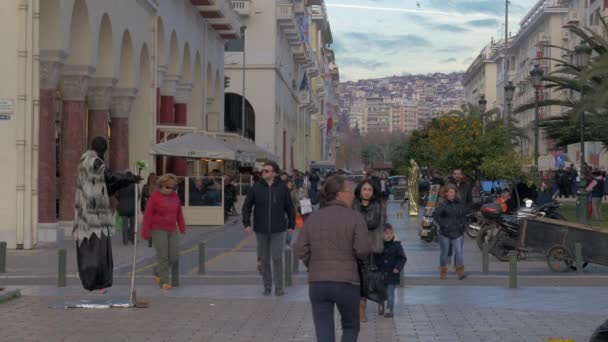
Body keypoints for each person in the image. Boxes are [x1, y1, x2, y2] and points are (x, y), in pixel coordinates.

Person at [295, 175, 370, 342]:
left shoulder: (313, 218)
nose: (353, 195)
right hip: (347, 282)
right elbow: (363, 250)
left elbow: (300, 249)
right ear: (339, 194)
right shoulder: (355, 217)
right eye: (349, 191)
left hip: (318, 283)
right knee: (351, 326)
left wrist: (313, 264)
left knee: (323, 330)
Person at [73, 136, 142, 293]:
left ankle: (98, 282)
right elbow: (109, 177)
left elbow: (107, 185)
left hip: (90, 212)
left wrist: (127, 180)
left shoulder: (88, 162)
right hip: (93, 213)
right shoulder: (94, 161)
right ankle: (95, 282)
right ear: (104, 148)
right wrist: (128, 178)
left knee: (96, 247)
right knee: (96, 248)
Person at [242, 160, 296, 296]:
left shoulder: (282, 188)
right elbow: (246, 206)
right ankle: (267, 286)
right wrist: (246, 223)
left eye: (267, 171)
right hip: (261, 230)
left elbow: (290, 207)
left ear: (274, 173)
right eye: (263, 171)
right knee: (264, 259)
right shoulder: (256, 187)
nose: (263, 173)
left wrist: (291, 225)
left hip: (278, 229)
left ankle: (279, 287)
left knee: (277, 258)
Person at [142, 173, 186, 291]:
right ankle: (164, 282)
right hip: (158, 229)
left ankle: (157, 271)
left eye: (173, 187)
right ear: (161, 185)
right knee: (163, 256)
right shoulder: (154, 197)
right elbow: (147, 215)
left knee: (174, 256)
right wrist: (146, 231)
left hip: (172, 229)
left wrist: (182, 226)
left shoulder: (175, 197)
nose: (171, 190)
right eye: (168, 187)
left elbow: (179, 213)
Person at [352, 179, 383, 322]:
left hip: (370, 246)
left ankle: (362, 309)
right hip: (354, 246)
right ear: (359, 190)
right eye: (364, 189)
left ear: (373, 192)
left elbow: (373, 223)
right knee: (355, 278)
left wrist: (357, 222)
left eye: (369, 190)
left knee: (367, 278)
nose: (367, 192)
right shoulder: (353, 204)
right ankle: (355, 306)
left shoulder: (377, 205)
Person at [433, 184, 467, 280]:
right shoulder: (442, 203)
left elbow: (463, 215)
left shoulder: (459, 203)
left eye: (454, 192)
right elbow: (436, 216)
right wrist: (443, 225)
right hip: (445, 232)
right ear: (446, 193)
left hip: (458, 231)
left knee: (459, 252)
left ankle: (460, 272)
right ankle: (443, 271)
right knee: (444, 253)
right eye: (450, 192)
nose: (452, 194)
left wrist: (463, 224)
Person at [375, 223, 406, 318]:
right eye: (386, 233)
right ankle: (381, 304)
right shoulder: (379, 245)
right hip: (380, 273)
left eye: (391, 233)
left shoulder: (397, 245)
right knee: (381, 291)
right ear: (382, 234)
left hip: (392, 273)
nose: (388, 235)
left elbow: (402, 258)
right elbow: (374, 257)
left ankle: (389, 309)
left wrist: (397, 267)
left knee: (390, 292)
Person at [115, 177, 137, 245]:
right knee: (133, 224)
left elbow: (116, 195)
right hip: (132, 207)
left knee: (124, 224)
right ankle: (132, 239)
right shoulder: (134, 184)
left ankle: (125, 241)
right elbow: (137, 194)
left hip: (123, 207)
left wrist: (121, 200)